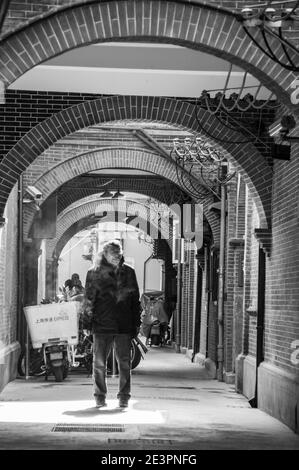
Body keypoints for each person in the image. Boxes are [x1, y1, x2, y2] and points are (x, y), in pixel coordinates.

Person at [82, 240, 141, 409]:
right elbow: (88, 300)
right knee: (99, 363)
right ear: (105, 255)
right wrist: (87, 323)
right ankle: (99, 396)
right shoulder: (94, 272)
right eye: (114, 253)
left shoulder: (129, 272)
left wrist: (136, 323)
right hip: (101, 325)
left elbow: (135, 300)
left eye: (119, 252)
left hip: (123, 325)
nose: (117, 256)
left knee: (124, 363)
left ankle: (124, 397)